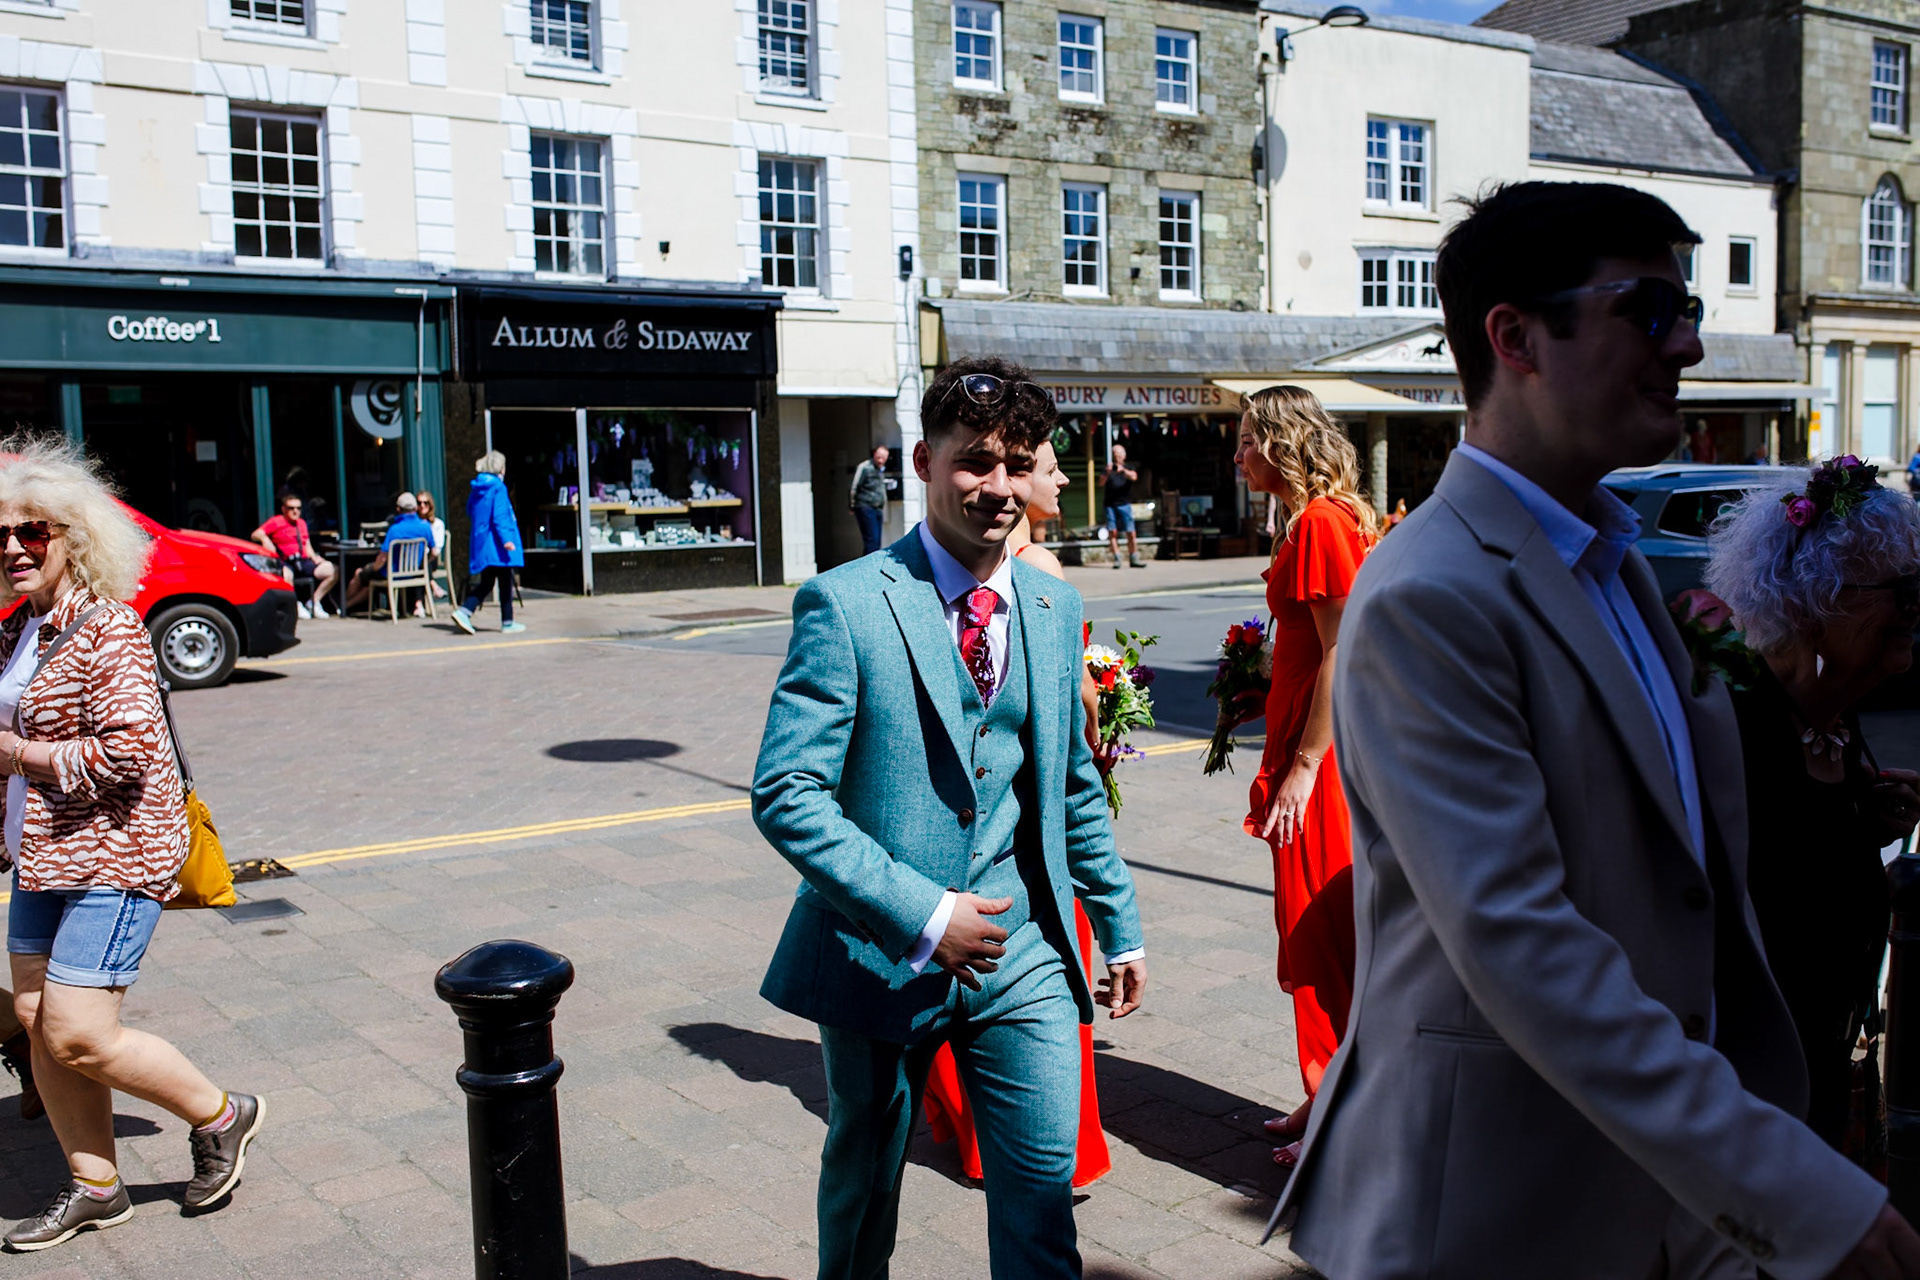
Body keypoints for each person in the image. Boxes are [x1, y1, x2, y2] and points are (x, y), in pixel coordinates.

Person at [1272, 181, 1912, 1279]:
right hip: (1500, 1213)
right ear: (1515, 336)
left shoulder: (1604, 557)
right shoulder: (1432, 591)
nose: (1693, 345)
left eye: (1691, 308)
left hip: (1646, 1190)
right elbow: (1523, 943)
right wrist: (1791, 1190)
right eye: (1652, 311)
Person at [753, 355, 1145, 1279]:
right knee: (865, 1180)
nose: (997, 487)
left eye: (1017, 464)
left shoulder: (1054, 605)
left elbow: (1072, 785)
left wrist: (1119, 924)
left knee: (1043, 1197)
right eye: (974, 462)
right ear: (925, 460)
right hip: (878, 952)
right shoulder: (844, 603)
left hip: (1027, 952)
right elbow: (787, 795)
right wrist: (926, 914)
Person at [0, 440, 262, 1251]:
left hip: (113, 858)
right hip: (41, 856)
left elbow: (128, 756)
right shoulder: (26, 630)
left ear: (74, 537)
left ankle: (224, 1114)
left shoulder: (107, 628)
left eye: (32, 532)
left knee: (79, 1033)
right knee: (37, 1018)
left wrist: (21, 757)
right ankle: (97, 1187)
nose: (13, 547)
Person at [1705, 459, 1920, 1153]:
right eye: (1901, 590)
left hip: (1822, 1089)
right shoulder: (1733, 731)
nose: (1915, 609)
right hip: (1748, 1110)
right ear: (1812, 603)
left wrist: (1868, 825)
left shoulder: (1833, 720)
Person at [920, 434, 1114, 1190]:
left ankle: (988, 1138)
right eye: (1049, 467)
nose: (1054, 479)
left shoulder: (1036, 581)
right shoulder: (1039, 569)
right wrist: (1104, 702)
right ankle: (1040, 1144)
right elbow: (1075, 716)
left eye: (1031, 467)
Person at [1233, 385, 1378, 1168]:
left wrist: (1304, 766)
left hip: (1319, 768)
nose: (1239, 456)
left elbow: (1340, 650)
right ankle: (1329, 1093)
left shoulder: (1321, 522)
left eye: (1249, 440)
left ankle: (1342, 1116)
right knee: (1330, 936)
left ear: (1284, 442)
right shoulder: (1325, 515)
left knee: (1320, 938)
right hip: (1315, 754)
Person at [452, 451, 525, 636]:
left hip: (484, 543)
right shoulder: (498, 488)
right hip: (498, 546)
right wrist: (507, 540)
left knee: (488, 582)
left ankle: (467, 611)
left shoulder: (477, 488)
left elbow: (470, 510)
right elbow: (500, 516)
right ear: (500, 467)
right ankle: (504, 621)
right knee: (503, 583)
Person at [341, 491, 436, 616]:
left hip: (392, 574)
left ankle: (343, 606)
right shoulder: (425, 527)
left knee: (360, 574)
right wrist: (422, 563)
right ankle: (346, 607)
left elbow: (382, 558)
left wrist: (374, 568)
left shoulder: (394, 530)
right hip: (415, 573)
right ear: (415, 508)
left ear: (398, 509)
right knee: (368, 582)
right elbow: (434, 552)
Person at [250, 491, 335, 619]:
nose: (295, 511)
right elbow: (255, 534)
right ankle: (295, 604)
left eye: (298, 508)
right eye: (291, 508)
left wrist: (315, 558)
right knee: (287, 575)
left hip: (303, 560)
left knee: (332, 570)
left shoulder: (302, 523)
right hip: (285, 561)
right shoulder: (276, 521)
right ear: (284, 509)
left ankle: (314, 602)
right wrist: (265, 539)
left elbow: (307, 544)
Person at [1101, 445, 1142, 569]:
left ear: (1124, 455)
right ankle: (1117, 558)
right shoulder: (1107, 469)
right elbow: (1100, 483)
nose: (1116, 456)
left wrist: (1122, 470)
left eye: (1119, 454)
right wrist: (1108, 473)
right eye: (1114, 454)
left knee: (1131, 532)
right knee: (1112, 532)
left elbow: (1134, 477)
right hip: (1110, 505)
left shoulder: (1128, 468)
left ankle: (1133, 557)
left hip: (1124, 504)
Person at [850, 445, 890, 557]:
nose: (881, 460)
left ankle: (872, 567)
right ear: (874, 455)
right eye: (879, 457)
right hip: (865, 506)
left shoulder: (881, 469)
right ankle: (868, 569)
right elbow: (855, 486)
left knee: (877, 542)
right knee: (872, 541)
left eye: (884, 458)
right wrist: (852, 505)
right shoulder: (865, 467)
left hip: (878, 507)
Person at [416, 490, 449, 602]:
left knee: (422, 564)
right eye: (419, 503)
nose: (422, 506)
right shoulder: (415, 524)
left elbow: (437, 550)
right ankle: (434, 586)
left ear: (430, 505)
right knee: (418, 564)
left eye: (425, 503)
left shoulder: (437, 524)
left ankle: (419, 603)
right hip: (415, 560)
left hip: (431, 559)